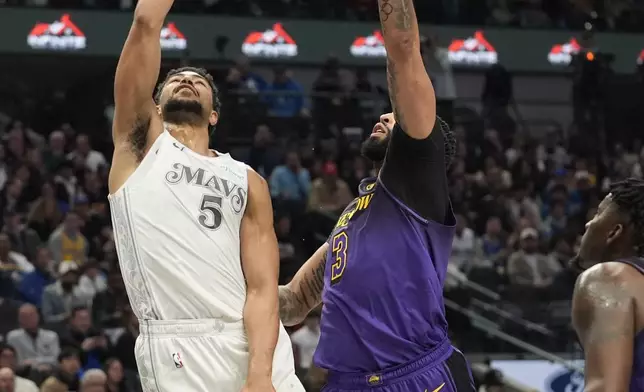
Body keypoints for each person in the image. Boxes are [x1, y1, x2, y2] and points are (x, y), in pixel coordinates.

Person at [278, 1, 475, 391]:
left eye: (395, 114)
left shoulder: (418, 181)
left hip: (414, 374)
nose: (385, 116)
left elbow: (403, 51)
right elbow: (291, 304)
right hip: (348, 383)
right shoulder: (353, 215)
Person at [108, 1, 303, 391]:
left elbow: (263, 289)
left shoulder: (248, 180)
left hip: (254, 344)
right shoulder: (141, 146)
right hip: (179, 343)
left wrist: (261, 374)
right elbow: (146, 23)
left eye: (198, 81)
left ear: (214, 114)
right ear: (156, 105)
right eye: (175, 79)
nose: (186, 80)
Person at [571, 178, 644, 391]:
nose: (588, 224)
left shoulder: (610, 278)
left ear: (614, 232)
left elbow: (606, 388)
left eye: (598, 213)